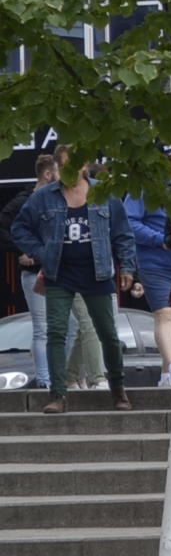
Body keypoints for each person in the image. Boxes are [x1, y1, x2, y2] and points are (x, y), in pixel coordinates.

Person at [9, 144, 138, 414]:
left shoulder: (103, 193)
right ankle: (58, 394)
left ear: (85, 165)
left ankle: (118, 389)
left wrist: (126, 266)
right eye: (64, 166)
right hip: (59, 274)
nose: (69, 171)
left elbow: (123, 233)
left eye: (74, 165)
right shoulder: (45, 197)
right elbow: (18, 227)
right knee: (56, 333)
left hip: (97, 273)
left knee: (108, 334)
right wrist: (40, 251)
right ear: (57, 167)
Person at [123, 149, 171, 388]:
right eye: (167, 158)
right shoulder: (142, 187)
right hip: (154, 261)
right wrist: (160, 238)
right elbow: (129, 221)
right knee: (165, 314)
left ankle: (164, 376)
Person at [5, 155, 64, 391]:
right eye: (59, 172)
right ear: (48, 174)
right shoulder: (24, 200)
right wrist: (21, 249)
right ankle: (44, 379)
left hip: (59, 272)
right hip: (33, 272)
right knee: (42, 327)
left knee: (67, 326)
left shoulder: (59, 198)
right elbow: (5, 226)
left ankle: (58, 375)